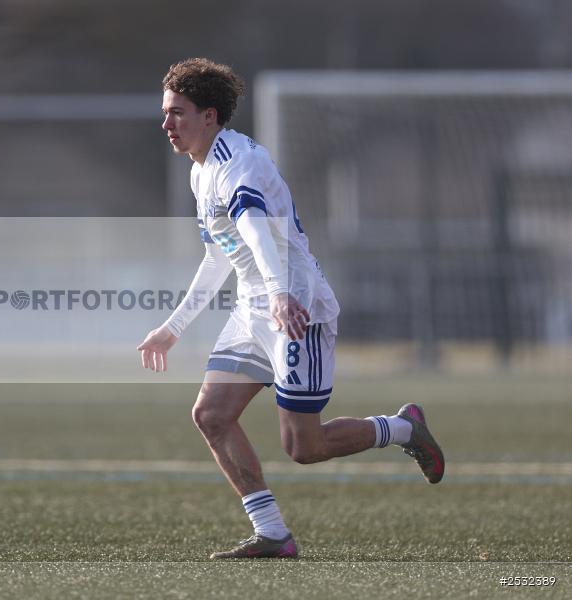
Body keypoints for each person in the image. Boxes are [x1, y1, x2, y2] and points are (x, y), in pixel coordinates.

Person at [137, 58, 445, 559]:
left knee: (305, 447)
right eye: (165, 113)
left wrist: (280, 294)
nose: (167, 123)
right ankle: (274, 534)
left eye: (177, 112)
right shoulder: (201, 172)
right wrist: (173, 328)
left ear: (210, 116)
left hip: (297, 308)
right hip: (253, 310)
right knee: (211, 415)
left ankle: (405, 427)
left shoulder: (240, 162)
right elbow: (221, 255)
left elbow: (257, 231)